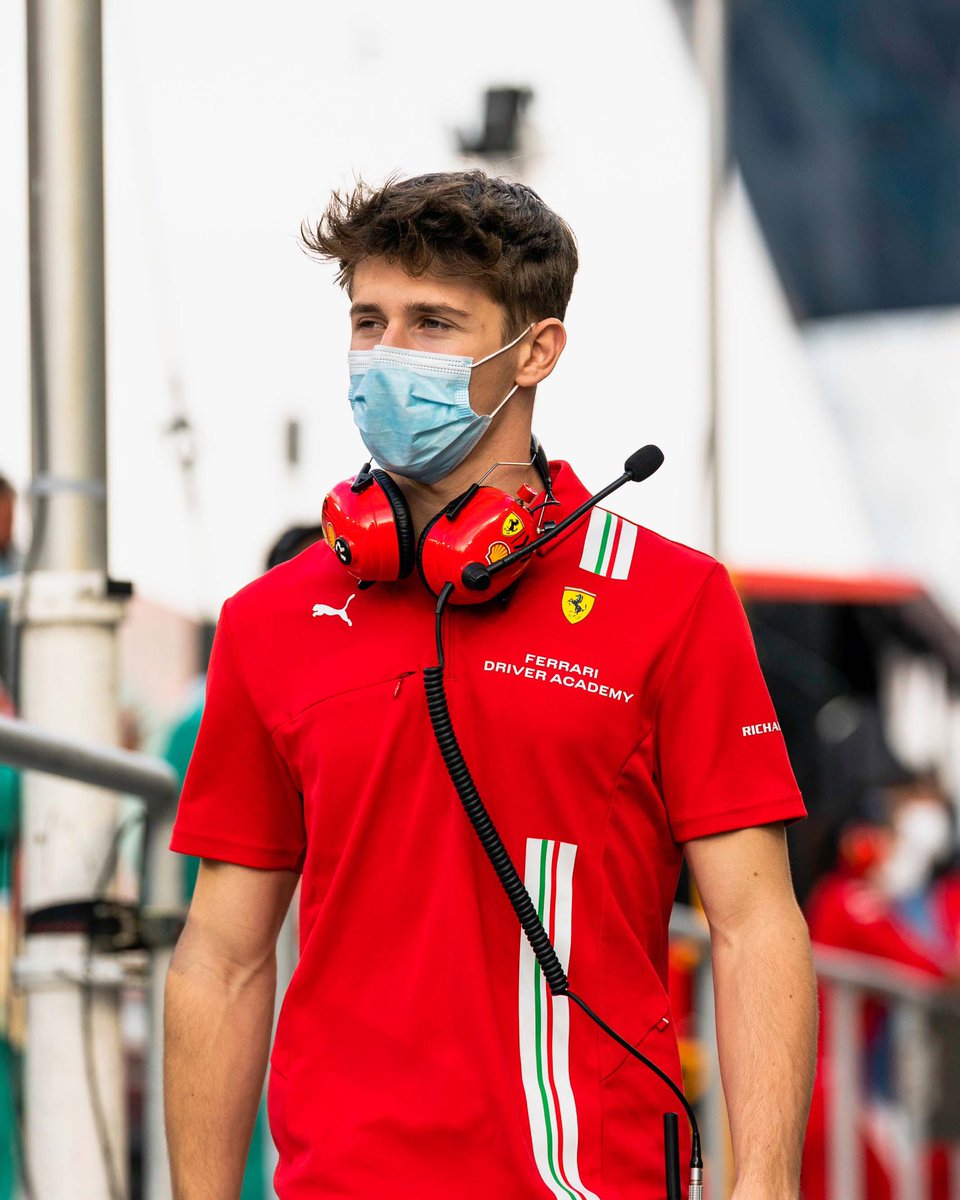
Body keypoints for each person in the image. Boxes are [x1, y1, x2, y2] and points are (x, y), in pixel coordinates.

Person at [164, 171, 817, 1200]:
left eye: (432, 322)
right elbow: (221, 956)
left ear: (538, 351)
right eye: (368, 322)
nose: (387, 355)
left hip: (590, 1179)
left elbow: (754, 922)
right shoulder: (267, 621)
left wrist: (766, 1184)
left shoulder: (675, 601)